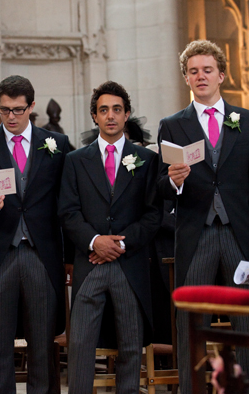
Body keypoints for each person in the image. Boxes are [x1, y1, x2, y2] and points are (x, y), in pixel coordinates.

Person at [157, 40, 249, 392]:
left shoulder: (248, 121)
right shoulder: (172, 124)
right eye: (193, 71)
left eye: (207, 70)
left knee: (244, 320)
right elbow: (159, 188)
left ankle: (247, 388)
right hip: (196, 232)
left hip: (240, 233)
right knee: (190, 318)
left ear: (221, 75)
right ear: (186, 79)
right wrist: (173, 182)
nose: (201, 76)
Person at [0, 75, 71, 393]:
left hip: (41, 253)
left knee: (42, 345)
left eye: (18, 110)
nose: (11, 116)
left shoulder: (56, 145)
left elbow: (68, 200)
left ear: (31, 107)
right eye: (4, 110)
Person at [58, 81, 161, 393]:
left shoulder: (146, 160)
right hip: (89, 265)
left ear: (127, 114)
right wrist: (94, 241)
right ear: (94, 116)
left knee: (131, 348)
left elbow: (153, 214)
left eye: (117, 109)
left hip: (129, 266)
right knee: (80, 346)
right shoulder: (75, 161)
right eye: (104, 110)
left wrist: (120, 244)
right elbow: (68, 211)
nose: (111, 116)